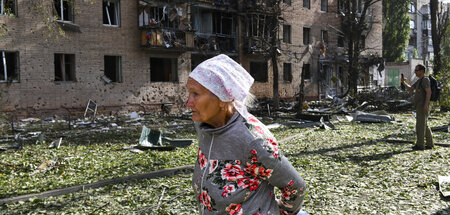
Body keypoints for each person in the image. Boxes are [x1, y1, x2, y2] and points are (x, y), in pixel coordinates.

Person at [186, 54, 306, 214]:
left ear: (223, 98)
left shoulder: (253, 140)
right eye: (189, 93)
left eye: (196, 94)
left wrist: (281, 212)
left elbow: (295, 186)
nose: (188, 102)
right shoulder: (203, 127)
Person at [401, 64, 433, 150]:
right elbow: (410, 88)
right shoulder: (419, 81)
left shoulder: (425, 80)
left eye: (417, 70)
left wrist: (426, 105)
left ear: (422, 71)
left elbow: (428, 92)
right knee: (424, 125)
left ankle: (420, 145)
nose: (415, 72)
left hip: (423, 106)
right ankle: (430, 144)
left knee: (420, 126)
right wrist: (403, 82)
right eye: (415, 70)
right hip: (419, 105)